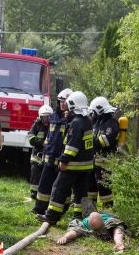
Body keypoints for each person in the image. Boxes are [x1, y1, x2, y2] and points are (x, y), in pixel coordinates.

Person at [37, 91, 94, 224]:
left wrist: (63, 160)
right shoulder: (86, 121)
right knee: (80, 192)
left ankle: (51, 216)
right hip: (85, 166)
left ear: (74, 105)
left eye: (69, 105)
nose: (66, 108)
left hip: (72, 165)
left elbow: (72, 146)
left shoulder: (76, 123)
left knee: (59, 188)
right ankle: (79, 217)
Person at [32, 88, 72, 214]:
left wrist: (69, 119)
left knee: (62, 187)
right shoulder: (53, 116)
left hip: (62, 159)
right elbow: (49, 136)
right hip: (49, 158)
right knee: (44, 184)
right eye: (60, 101)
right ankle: (39, 208)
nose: (62, 104)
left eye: (64, 102)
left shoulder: (72, 120)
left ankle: (62, 209)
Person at [87, 97, 119, 207]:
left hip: (104, 162)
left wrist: (90, 141)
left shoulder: (111, 123)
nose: (92, 114)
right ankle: (90, 211)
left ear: (100, 110)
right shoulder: (97, 122)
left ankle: (108, 210)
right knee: (90, 187)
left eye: (94, 111)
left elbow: (105, 141)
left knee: (104, 188)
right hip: (93, 161)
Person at [57, 211, 125, 252]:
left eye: (99, 229)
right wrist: (65, 237)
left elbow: (118, 230)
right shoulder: (84, 224)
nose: (98, 232)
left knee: (118, 227)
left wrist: (119, 242)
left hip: (106, 217)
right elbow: (74, 231)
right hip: (87, 221)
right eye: (95, 230)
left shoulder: (108, 220)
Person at [28, 104, 53, 199]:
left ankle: (44, 192)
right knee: (35, 174)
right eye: (44, 118)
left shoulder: (54, 126)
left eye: (48, 118)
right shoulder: (36, 125)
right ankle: (34, 192)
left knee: (46, 175)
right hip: (37, 155)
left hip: (48, 155)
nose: (46, 120)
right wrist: (42, 142)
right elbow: (31, 138)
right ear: (40, 117)